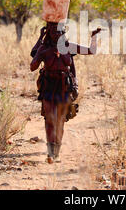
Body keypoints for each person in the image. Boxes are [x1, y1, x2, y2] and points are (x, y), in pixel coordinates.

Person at [30, 22, 101, 163]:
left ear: (63, 32)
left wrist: (94, 37)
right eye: (53, 32)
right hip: (48, 86)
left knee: (60, 120)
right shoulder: (44, 48)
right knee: (50, 119)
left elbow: (91, 51)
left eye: (59, 31)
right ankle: (51, 153)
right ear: (48, 33)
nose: (57, 34)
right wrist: (40, 48)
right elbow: (33, 66)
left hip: (64, 87)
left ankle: (56, 152)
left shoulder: (68, 47)